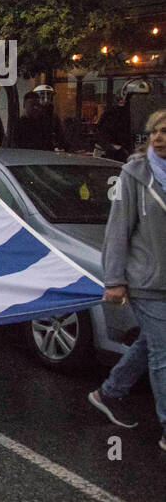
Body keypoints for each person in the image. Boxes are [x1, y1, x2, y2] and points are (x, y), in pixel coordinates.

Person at [89, 108, 166, 455]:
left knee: (151, 343)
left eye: (165, 131)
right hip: (147, 281)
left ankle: (109, 392)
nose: (160, 137)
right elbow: (117, 230)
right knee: (164, 352)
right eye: (154, 132)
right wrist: (114, 279)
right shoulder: (134, 175)